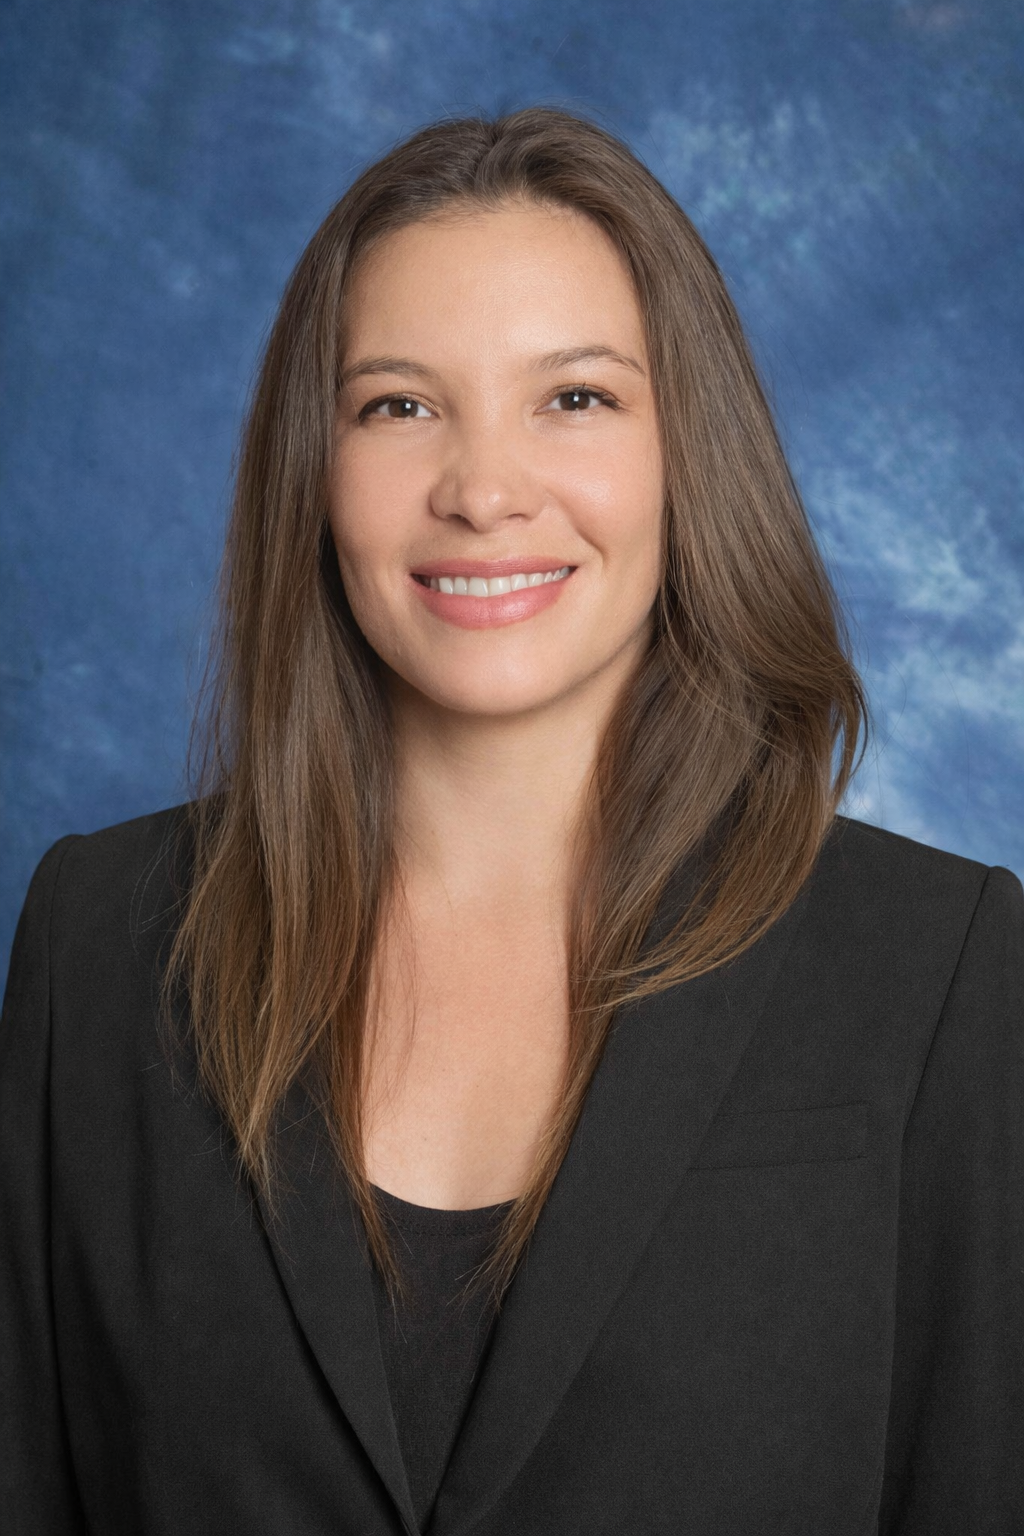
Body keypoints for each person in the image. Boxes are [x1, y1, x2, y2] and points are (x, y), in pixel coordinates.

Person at [1, 107, 1020, 1536]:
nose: (483, 491)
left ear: (689, 455)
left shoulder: (942, 969)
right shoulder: (98, 944)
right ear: (317, 469)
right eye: (399, 404)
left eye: (577, 398)